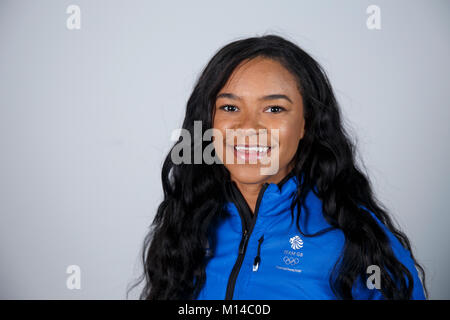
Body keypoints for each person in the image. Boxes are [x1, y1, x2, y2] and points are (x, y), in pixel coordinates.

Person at [134, 34, 427, 300]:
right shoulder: (185, 226)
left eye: (274, 109)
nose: (247, 128)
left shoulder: (359, 238)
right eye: (230, 107)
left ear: (306, 124)